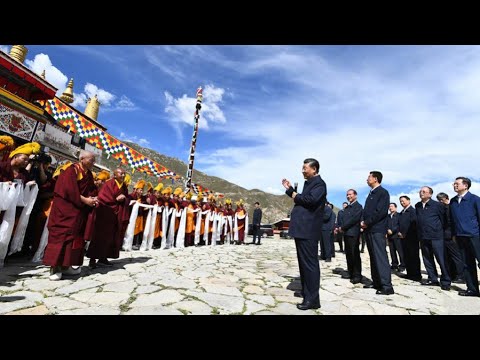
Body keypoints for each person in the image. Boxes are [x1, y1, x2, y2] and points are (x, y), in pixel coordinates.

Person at [42, 150, 98, 281]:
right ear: (82, 159)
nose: (93, 163)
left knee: (74, 239)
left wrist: (93, 198)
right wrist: (86, 200)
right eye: (91, 160)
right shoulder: (70, 171)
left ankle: (66, 266)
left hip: (78, 212)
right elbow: (67, 191)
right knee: (60, 238)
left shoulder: (88, 174)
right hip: (64, 211)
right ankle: (55, 268)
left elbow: (90, 190)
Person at [282, 158, 326, 310]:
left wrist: (292, 193)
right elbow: (303, 199)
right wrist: (290, 191)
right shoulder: (309, 184)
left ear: (314, 169)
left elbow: (309, 201)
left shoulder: (320, 184)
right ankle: (307, 292)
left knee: (310, 264)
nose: (302, 170)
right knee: (303, 264)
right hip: (302, 229)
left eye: (305, 168)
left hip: (309, 230)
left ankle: (313, 300)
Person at [86, 168, 130, 269]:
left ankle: (103, 258)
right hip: (105, 214)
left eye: (124, 174)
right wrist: (116, 199)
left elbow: (127, 198)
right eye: (121, 174)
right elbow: (103, 197)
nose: (123, 176)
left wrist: (124, 198)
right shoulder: (109, 184)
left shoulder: (123, 186)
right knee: (99, 236)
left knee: (111, 237)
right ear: (114, 175)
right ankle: (92, 260)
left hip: (116, 215)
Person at [361, 171, 394, 295]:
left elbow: (380, 212)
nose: (367, 179)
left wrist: (367, 222)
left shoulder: (382, 192)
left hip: (377, 229)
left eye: (369, 177)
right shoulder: (371, 193)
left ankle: (387, 286)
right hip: (369, 229)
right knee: (373, 257)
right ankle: (377, 282)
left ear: (375, 179)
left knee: (380, 257)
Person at [415, 186, 451, 290]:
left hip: (436, 236)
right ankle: (432, 278)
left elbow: (444, 219)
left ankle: (446, 281)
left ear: (430, 194)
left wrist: (440, 231)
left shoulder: (438, 205)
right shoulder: (417, 205)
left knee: (441, 259)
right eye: (420, 191)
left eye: (424, 191)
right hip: (423, 236)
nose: (421, 193)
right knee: (427, 259)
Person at [450, 177, 480, 297]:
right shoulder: (453, 201)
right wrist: (453, 234)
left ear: (465, 185)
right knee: (467, 264)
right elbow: (452, 220)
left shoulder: (475, 199)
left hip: (475, 236)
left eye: (457, 184)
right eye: (454, 184)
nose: (454, 185)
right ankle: (472, 289)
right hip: (460, 236)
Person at [436, 192, 464, 283]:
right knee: (448, 257)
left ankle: (461, 275)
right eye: (439, 200)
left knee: (456, 256)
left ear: (446, 199)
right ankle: (453, 274)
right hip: (444, 235)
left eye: (442, 200)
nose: (441, 202)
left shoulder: (452, 208)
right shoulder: (443, 208)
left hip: (451, 235)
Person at [337, 189, 363, 284]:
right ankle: (350, 272)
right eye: (347, 195)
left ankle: (357, 275)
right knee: (348, 254)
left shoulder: (358, 207)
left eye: (350, 194)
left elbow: (354, 219)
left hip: (353, 233)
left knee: (354, 254)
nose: (348, 196)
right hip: (346, 233)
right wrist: (340, 227)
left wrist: (343, 227)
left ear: (355, 195)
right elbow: (343, 219)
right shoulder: (347, 208)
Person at [398, 195, 421, 282]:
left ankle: (416, 275)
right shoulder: (402, 212)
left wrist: (404, 233)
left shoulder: (412, 211)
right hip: (402, 238)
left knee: (413, 256)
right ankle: (410, 273)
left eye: (403, 201)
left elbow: (413, 224)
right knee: (406, 256)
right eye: (400, 201)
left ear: (409, 201)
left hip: (411, 237)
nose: (402, 202)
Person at [387, 203, 405, 272]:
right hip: (389, 236)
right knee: (392, 251)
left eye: (391, 206)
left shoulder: (399, 215)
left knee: (400, 251)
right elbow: (385, 224)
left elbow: (399, 225)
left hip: (397, 236)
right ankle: (394, 264)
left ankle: (402, 265)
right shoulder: (387, 216)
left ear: (395, 207)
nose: (390, 208)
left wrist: (393, 230)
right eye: (389, 207)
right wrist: (387, 230)